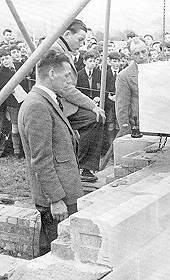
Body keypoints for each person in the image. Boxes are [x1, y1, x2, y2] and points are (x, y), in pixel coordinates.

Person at [18, 51, 84, 255]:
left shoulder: (45, 100)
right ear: (52, 73)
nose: (69, 82)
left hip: (63, 192)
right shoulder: (37, 105)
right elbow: (41, 160)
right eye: (66, 76)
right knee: (59, 254)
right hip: (58, 199)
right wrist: (56, 200)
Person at [50, 18, 105, 182]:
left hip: (63, 102)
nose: (82, 44)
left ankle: (83, 167)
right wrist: (91, 105)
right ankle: (84, 167)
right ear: (67, 34)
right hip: (56, 105)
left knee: (95, 118)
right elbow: (64, 87)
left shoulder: (62, 49)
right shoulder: (56, 51)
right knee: (94, 118)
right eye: (80, 39)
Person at [115, 37, 149, 136]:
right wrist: (126, 131)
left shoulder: (158, 69)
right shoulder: (124, 76)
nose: (141, 56)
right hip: (138, 127)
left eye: (143, 52)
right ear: (131, 55)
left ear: (148, 50)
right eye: (136, 53)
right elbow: (122, 107)